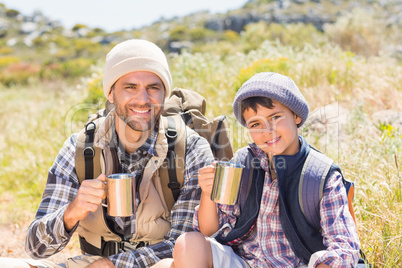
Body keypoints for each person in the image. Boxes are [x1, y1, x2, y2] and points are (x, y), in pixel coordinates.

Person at [2, 39, 214, 268]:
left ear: (164, 93)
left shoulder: (190, 148)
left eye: (153, 87)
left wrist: (113, 264)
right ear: (111, 94)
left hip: (160, 264)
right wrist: (71, 212)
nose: (143, 99)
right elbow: (36, 247)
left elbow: (187, 245)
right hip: (91, 263)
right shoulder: (80, 147)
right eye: (130, 87)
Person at [155, 72, 361, 268]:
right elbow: (210, 232)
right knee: (186, 244)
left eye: (275, 117)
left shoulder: (320, 175)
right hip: (245, 262)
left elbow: (344, 249)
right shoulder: (244, 162)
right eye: (255, 124)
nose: (267, 130)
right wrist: (208, 194)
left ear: (296, 116)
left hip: (298, 263)